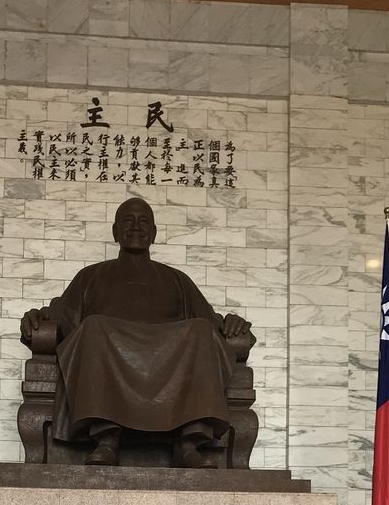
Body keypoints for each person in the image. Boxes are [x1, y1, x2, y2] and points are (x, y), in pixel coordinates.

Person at [20, 198, 254, 468]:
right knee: (94, 326)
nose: (135, 227)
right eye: (128, 221)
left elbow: (211, 323)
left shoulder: (176, 280)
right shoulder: (90, 276)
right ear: (115, 232)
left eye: (143, 222)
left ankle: (188, 442)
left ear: (153, 233)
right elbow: (61, 317)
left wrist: (233, 323)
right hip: (108, 349)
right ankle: (106, 438)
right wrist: (38, 318)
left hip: (169, 358)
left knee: (200, 330)